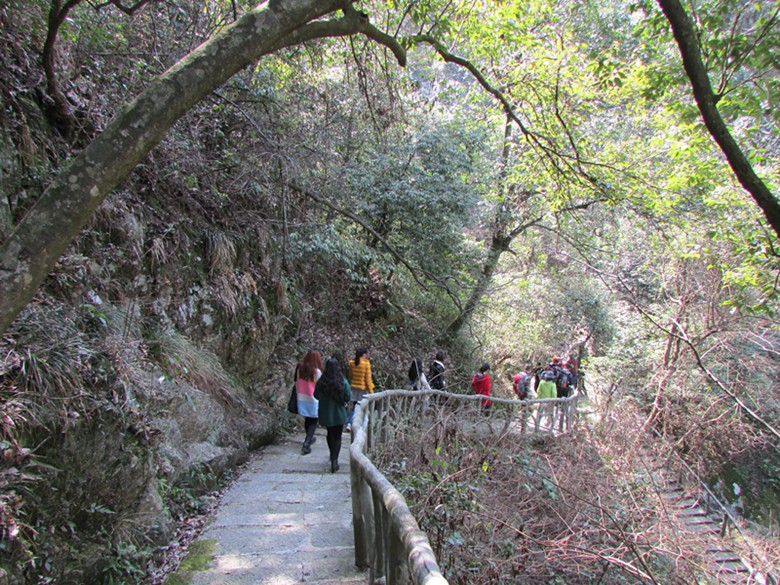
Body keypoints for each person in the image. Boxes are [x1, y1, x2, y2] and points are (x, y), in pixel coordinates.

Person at [314, 357, 352, 473]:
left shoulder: (322, 382)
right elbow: (348, 397)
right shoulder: (342, 381)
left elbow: (316, 395)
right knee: (338, 436)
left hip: (326, 412)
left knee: (330, 434)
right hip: (339, 413)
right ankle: (335, 460)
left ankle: (332, 456)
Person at [296, 350, 323, 455]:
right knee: (313, 421)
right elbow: (319, 385)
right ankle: (307, 443)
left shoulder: (301, 369)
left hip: (301, 397)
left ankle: (309, 438)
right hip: (313, 399)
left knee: (307, 418)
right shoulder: (317, 372)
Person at [346, 347, 375, 431]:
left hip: (354, 388)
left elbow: (350, 375)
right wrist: (371, 391)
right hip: (363, 389)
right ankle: (354, 424)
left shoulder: (352, 363)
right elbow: (368, 379)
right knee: (362, 408)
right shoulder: (366, 364)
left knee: (355, 406)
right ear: (364, 354)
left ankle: (349, 423)